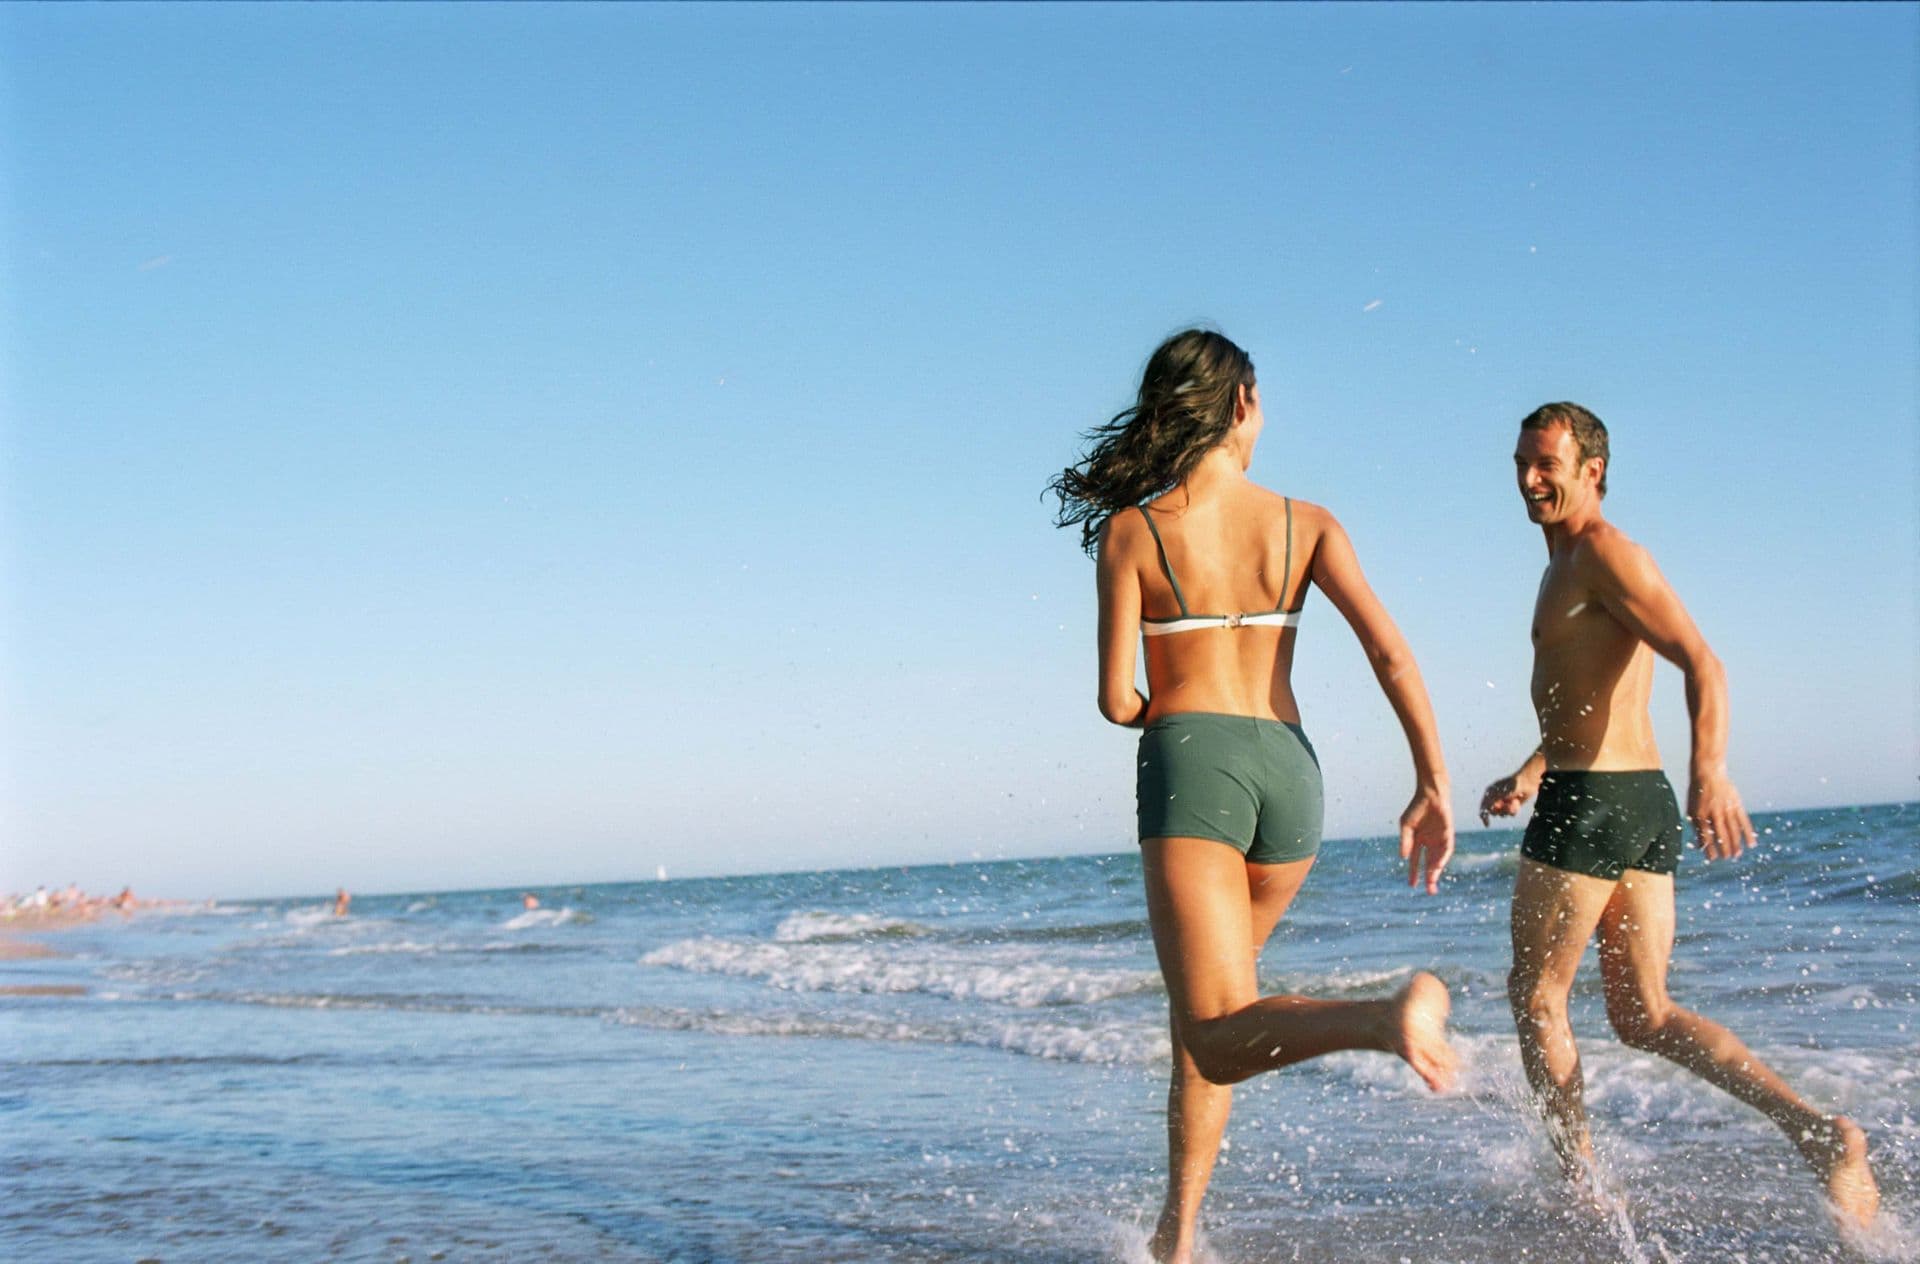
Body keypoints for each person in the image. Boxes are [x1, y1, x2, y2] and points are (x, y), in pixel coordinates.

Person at [1050, 330, 1458, 1264]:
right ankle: (1178, 1238)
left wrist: (1187, 722)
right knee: (1218, 1015)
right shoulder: (1307, 522)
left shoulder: (1133, 531)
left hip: (1196, 761)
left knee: (1218, 1030)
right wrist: (1432, 780)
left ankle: (1381, 1018)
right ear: (1242, 406)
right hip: (1292, 772)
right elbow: (1391, 652)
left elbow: (1118, 701)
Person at [1481, 402, 1879, 1226]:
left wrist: (1714, 772)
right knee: (1643, 1015)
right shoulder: (1569, 563)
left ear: (1593, 469)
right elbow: (1593, 700)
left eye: (1546, 464)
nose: (1528, 479)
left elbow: (1703, 661)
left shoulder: (1604, 554)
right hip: (1626, 797)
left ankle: (1583, 1192)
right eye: (1521, 461)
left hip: (1595, 804)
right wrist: (1528, 770)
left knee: (1537, 997)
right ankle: (1815, 1133)